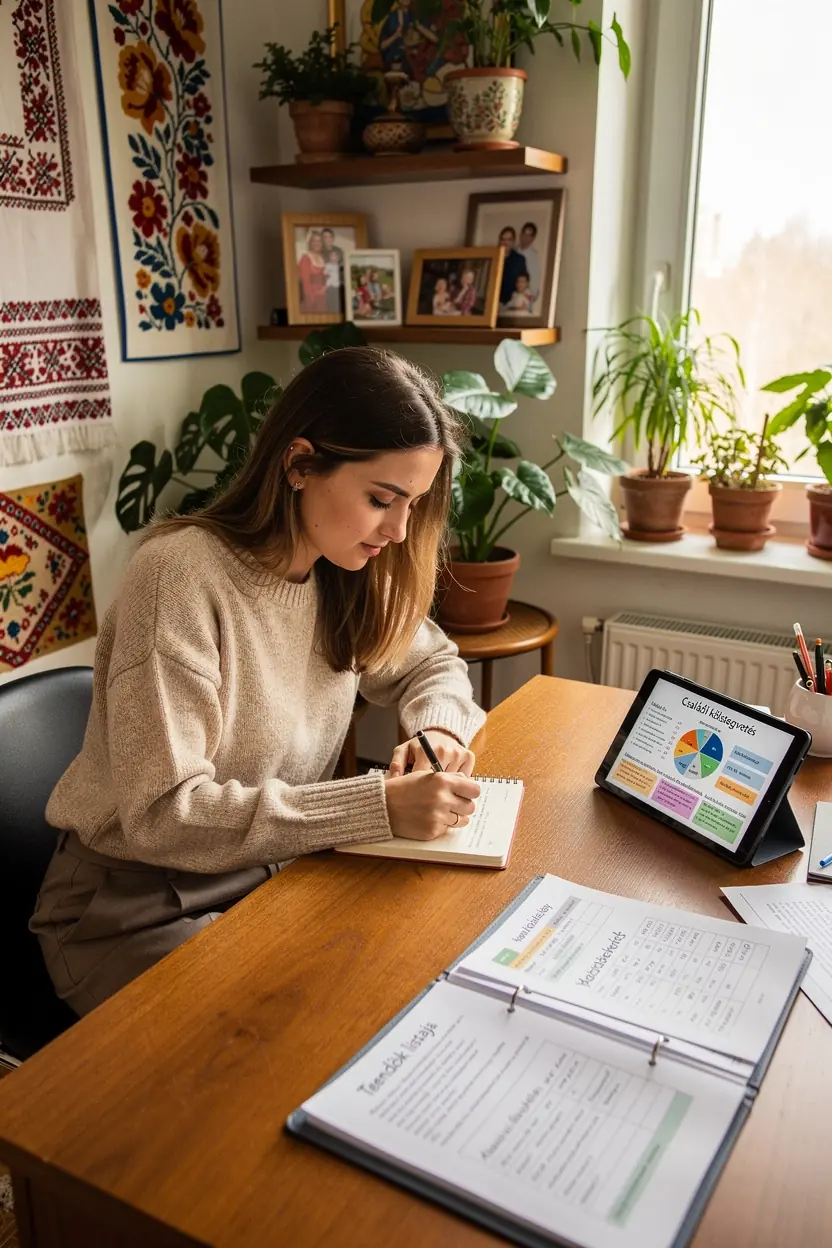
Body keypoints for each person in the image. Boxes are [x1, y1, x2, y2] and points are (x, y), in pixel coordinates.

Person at [30, 348, 485, 1016]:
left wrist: (437, 733)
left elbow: (434, 663)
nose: (397, 530)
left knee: (411, 978)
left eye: (413, 505)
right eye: (381, 499)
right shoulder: (178, 579)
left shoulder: (342, 571)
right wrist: (376, 806)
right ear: (300, 464)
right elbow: (163, 814)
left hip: (268, 875)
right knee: (293, 1041)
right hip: (132, 909)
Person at [297, 229, 327, 314]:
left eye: (319, 241)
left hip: (324, 299)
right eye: (314, 240)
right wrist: (312, 301)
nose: (317, 243)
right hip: (311, 300)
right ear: (310, 243)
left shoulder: (324, 259)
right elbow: (305, 284)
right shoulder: (306, 259)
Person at [497, 226, 528, 307]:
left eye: (509, 239)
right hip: (494, 300)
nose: (505, 242)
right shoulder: (494, 256)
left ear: (513, 241)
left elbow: (523, 281)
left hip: (512, 302)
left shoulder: (519, 259)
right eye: (503, 239)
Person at [518, 221, 541, 311]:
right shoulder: (515, 250)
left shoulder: (533, 256)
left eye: (529, 235)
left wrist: (529, 297)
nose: (525, 238)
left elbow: (535, 280)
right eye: (524, 234)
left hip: (524, 298)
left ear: (532, 238)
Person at [322, 227, 343, 314]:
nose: (328, 239)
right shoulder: (320, 250)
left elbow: (341, 266)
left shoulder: (338, 250)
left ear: (333, 238)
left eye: (329, 237)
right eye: (325, 237)